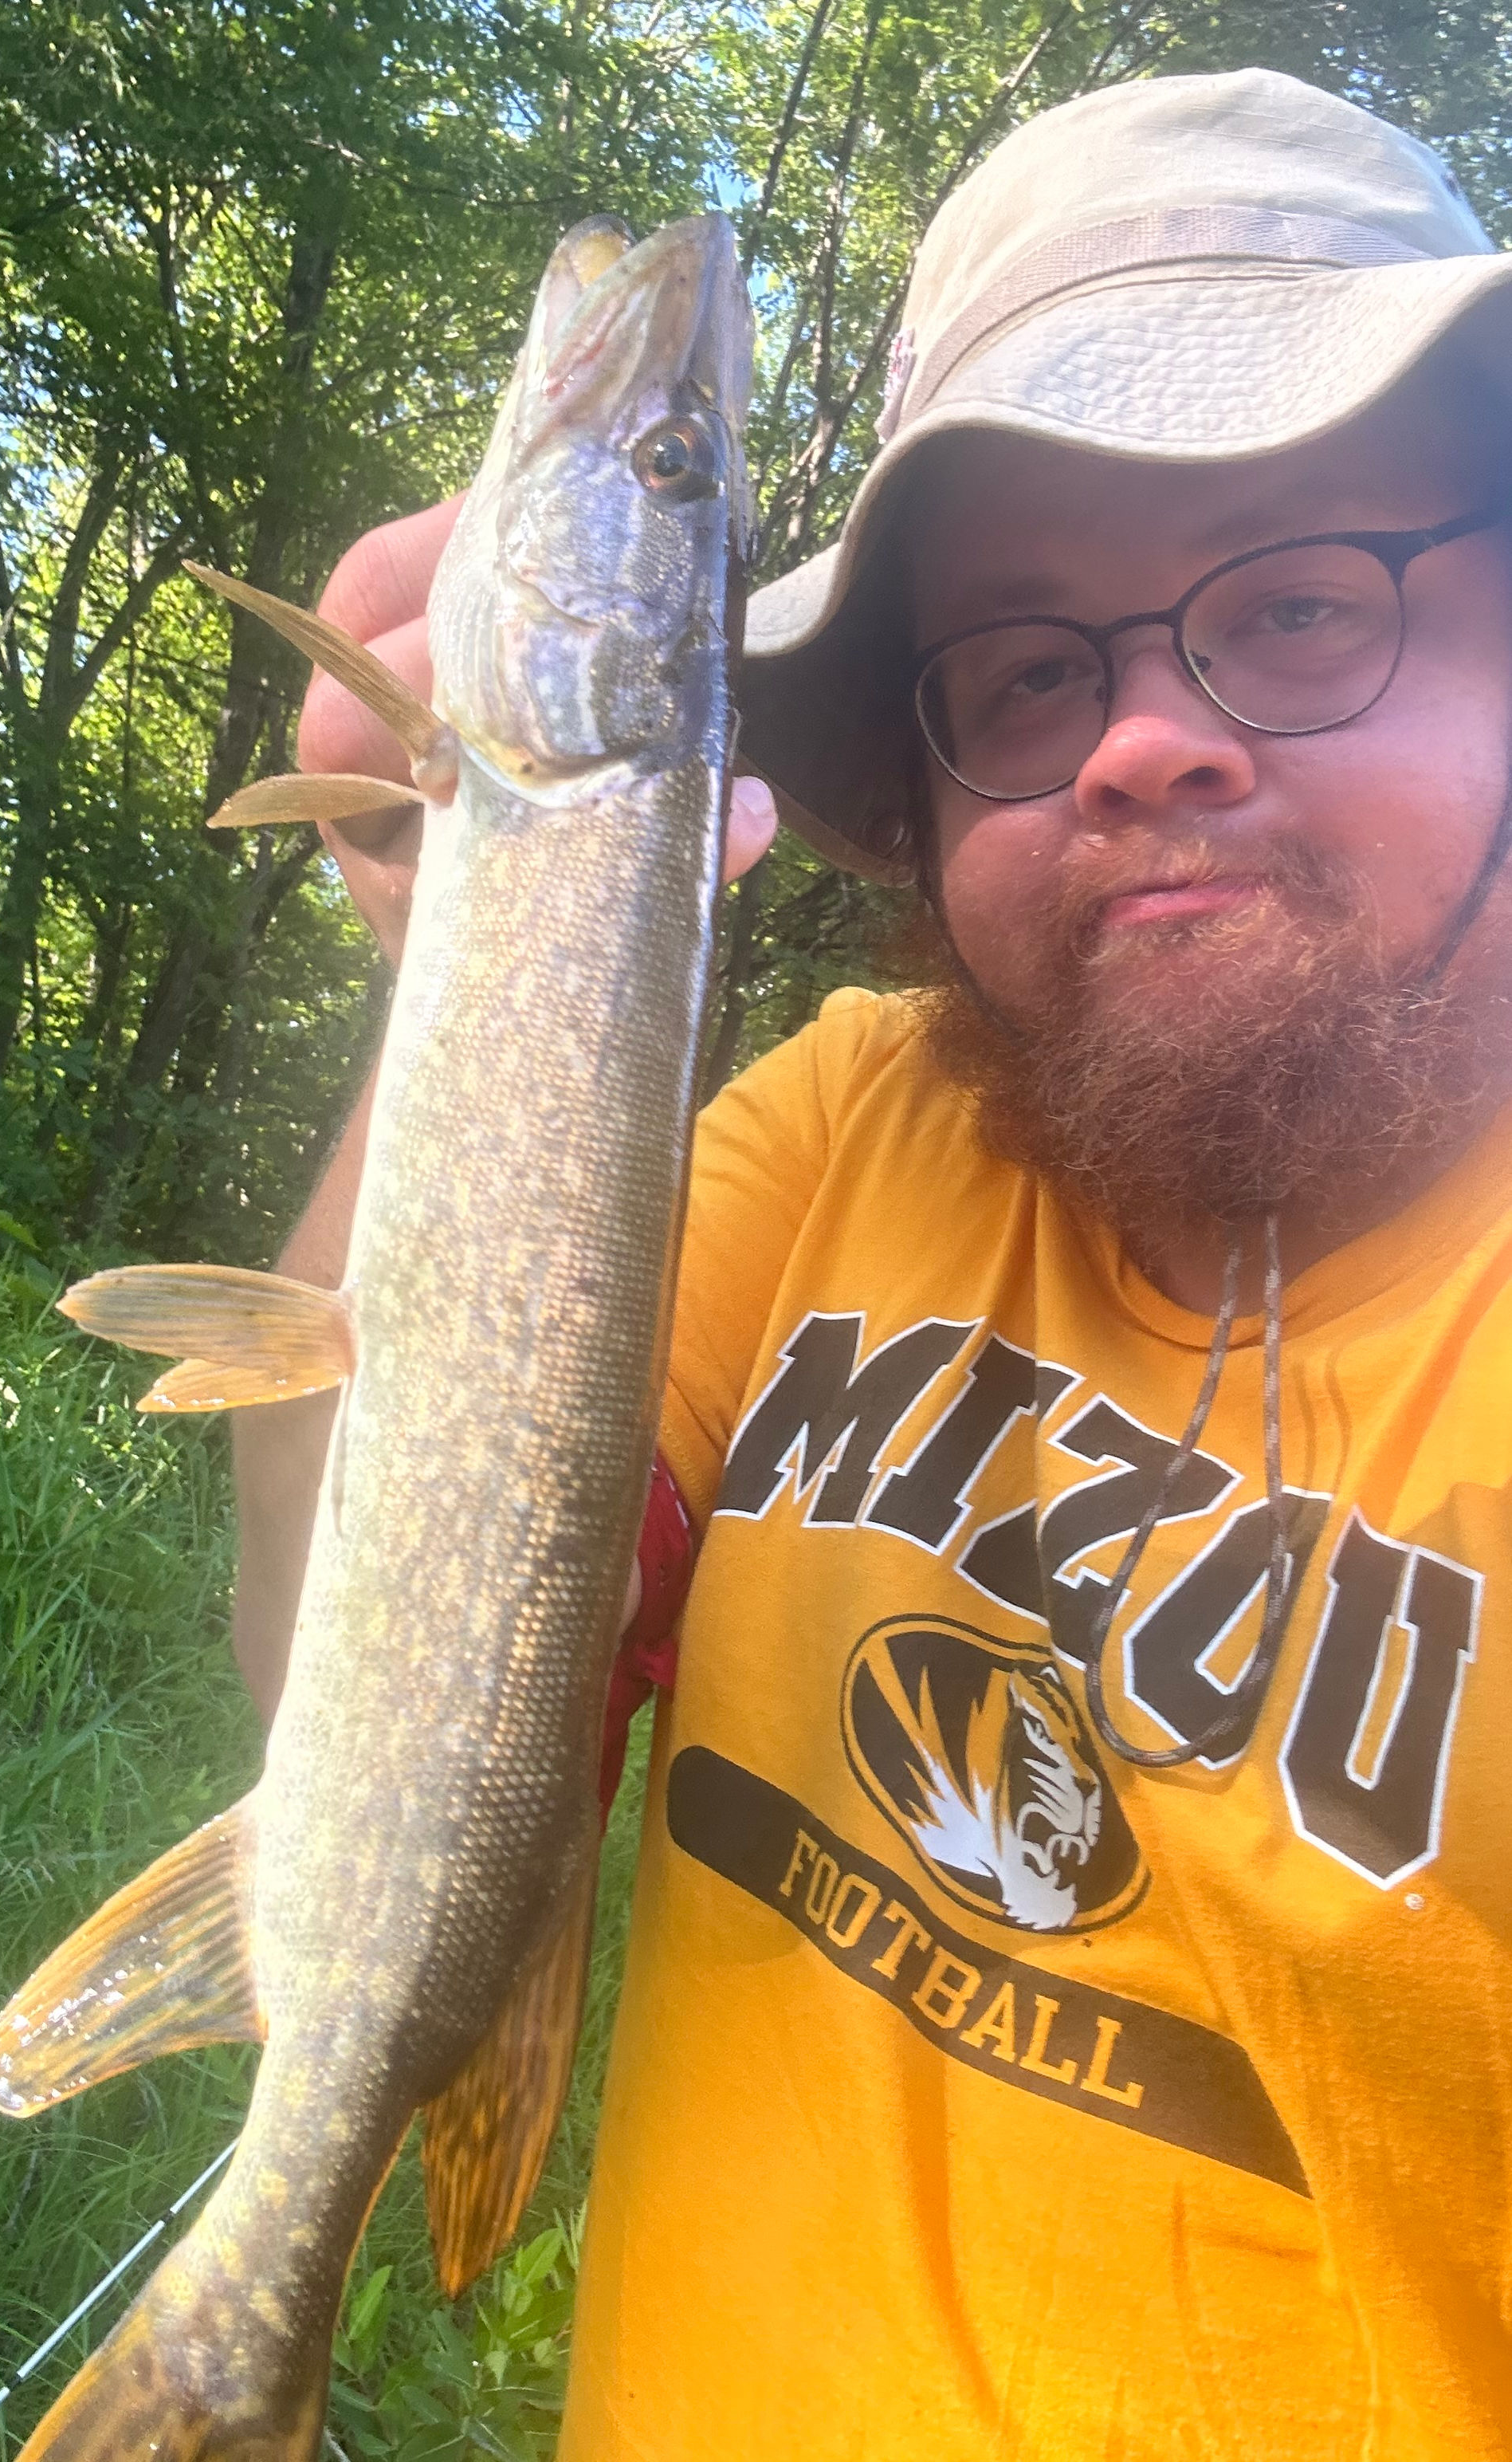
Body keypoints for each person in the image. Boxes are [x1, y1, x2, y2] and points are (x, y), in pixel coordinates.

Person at [233, 68, 1512, 2458]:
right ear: (920, 795)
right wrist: (463, 952)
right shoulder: (848, 1118)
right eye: (1024, 674)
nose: (1139, 742)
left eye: (1302, 609)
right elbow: (338, 1645)